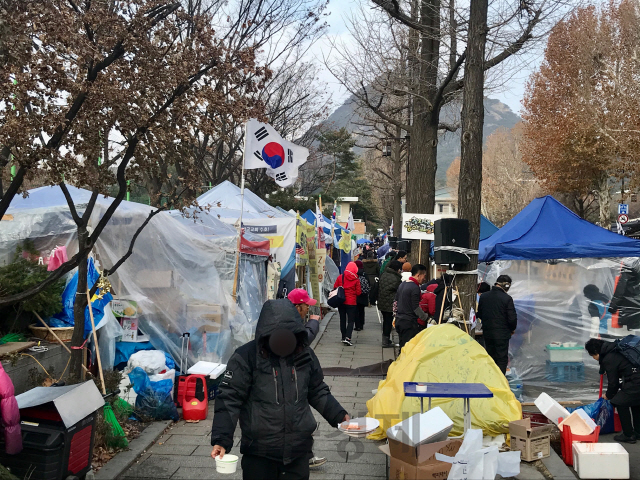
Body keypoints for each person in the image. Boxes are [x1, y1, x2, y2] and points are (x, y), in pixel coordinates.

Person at [211, 299, 350, 480]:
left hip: (298, 451)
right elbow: (229, 398)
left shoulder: (304, 354)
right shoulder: (246, 357)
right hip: (259, 453)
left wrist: (340, 416)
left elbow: (317, 390)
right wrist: (221, 439)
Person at [287, 288, 327, 469]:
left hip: (294, 377)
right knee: (299, 420)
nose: (307, 310)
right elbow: (303, 341)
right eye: (305, 306)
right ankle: (304, 457)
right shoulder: (288, 322)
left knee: (300, 420)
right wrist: (314, 323)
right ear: (297, 307)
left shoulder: (286, 318)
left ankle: (306, 455)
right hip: (289, 379)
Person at [585, 338, 640, 443]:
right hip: (636, 379)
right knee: (636, 402)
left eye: (593, 355)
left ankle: (628, 435)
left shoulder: (608, 359)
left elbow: (613, 383)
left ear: (597, 352)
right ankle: (638, 432)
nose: (594, 358)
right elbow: (624, 366)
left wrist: (608, 395)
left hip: (635, 381)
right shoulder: (614, 349)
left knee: (619, 402)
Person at [476, 275, 517, 374]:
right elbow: (512, 319)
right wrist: (512, 329)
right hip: (502, 334)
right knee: (502, 358)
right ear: (507, 286)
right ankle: (500, 382)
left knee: (491, 357)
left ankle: (491, 379)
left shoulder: (484, 296)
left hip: (487, 333)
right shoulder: (507, 298)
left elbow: (480, 314)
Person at [395, 264, 430, 349]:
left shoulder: (402, 284)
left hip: (399, 320)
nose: (424, 279)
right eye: (424, 276)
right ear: (418, 275)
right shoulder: (414, 287)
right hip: (409, 323)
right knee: (408, 349)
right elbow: (415, 308)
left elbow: (396, 302)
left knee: (402, 347)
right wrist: (427, 318)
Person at [333, 261, 362, 346]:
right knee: (351, 321)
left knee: (342, 319)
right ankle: (348, 337)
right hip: (351, 303)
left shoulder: (340, 277)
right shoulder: (356, 279)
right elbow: (359, 292)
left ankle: (343, 337)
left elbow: (335, 287)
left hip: (341, 301)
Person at [609, 258, 640, 330]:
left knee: (634, 335)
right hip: (634, 304)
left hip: (633, 306)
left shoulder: (631, 263)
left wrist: (613, 306)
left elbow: (622, 285)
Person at [378, 260, 403, 348]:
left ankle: (386, 339)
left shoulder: (384, 274)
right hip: (389, 303)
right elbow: (400, 290)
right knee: (388, 322)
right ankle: (385, 341)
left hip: (382, 301)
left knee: (386, 321)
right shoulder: (396, 278)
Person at [355, 260, 370, 332]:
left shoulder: (355, 273)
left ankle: (357, 326)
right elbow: (368, 283)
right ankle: (361, 324)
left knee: (356, 311)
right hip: (363, 295)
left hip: (356, 295)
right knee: (361, 310)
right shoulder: (364, 273)